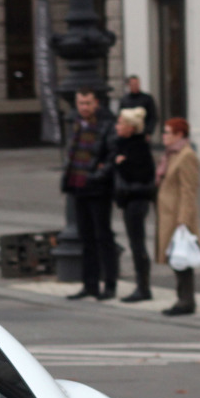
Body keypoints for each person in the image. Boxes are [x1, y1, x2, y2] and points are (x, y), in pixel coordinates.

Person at [61, 89, 119, 301]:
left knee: (103, 237)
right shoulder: (77, 123)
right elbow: (72, 153)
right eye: (80, 103)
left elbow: (113, 155)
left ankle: (110, 285)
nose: (84, 107)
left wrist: (96, 175)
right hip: (78, 187)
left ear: (96, 103)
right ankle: (90, 285)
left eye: (88, 103)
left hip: (98, 189)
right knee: (85, 239)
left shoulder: (105, 124)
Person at [155, 117, 200, 316]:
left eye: (167, 132)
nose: (164, 136)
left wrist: (183, 220)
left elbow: (189, 190)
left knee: (182, 258)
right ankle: (182, 299)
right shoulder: (172, 154)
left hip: (178, 216)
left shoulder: (186, 156)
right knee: (176, 259)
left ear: (179, 135)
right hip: (168, 214)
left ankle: (186, 301)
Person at [113, 107, 156, 303]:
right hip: (129, 200)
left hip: (137, 201)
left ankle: (143, 287)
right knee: (135, 243)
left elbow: (142, 176)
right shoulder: (124, 145)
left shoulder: (138, 147)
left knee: (137, 244)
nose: (117, 126)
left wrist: (123, 164)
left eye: (121, 123)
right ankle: (142, 285)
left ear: (131, 127)